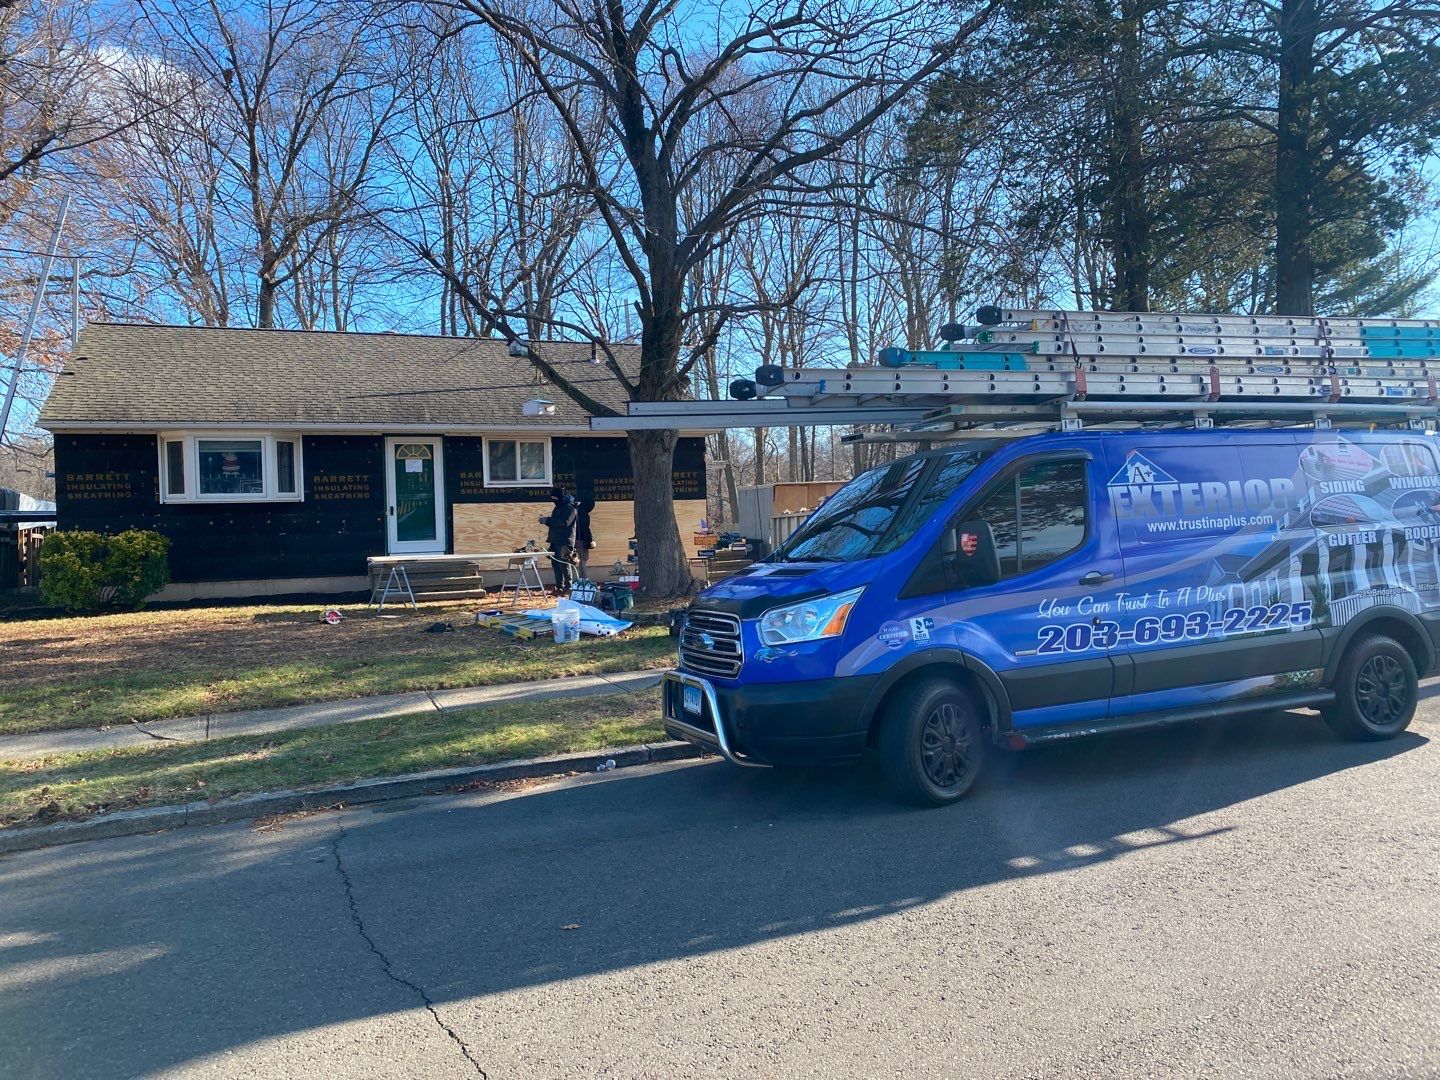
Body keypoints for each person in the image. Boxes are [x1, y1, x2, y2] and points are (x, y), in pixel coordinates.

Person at [539, 486, 578, 592]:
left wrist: (548, 520)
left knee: (563, 564)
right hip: (555, 540)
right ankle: (559, 587)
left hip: (565, 540)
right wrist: (546, 521)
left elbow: (565, 523)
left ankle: (568, 587)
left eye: (555, 498)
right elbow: (555, 523)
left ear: (560, 497)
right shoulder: (558, 507)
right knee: (555, 564)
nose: (554, 501)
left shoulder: (570, 508)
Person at [575, 497, 596, 580]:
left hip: (573, 539)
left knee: (574, 560)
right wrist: (590, 541)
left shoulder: (575, 511)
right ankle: (582, 578)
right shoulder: (584, 514)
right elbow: (585, 529)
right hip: (581, 539)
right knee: (583, 560)